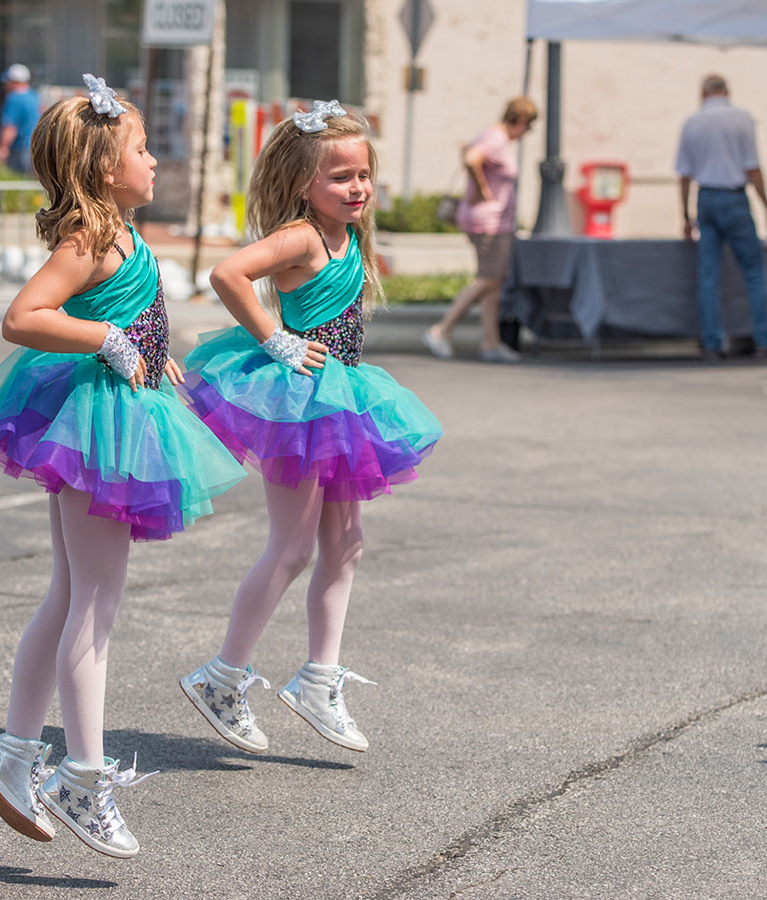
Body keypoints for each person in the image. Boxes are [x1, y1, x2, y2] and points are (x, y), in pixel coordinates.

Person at [0, 75, 245, 858]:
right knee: (94, 604)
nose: (154, 161)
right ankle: (82, 779)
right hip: (101, 427)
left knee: (69, 596)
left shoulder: (120, 232)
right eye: (142, 149)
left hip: (111, 415)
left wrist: (155, 349)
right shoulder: (90, 240)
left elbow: (127, 307)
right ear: (101, 165)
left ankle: (15, 755)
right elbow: (23, 318)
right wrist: (111, 343)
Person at [179, 101, 442, 755]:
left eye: (363, 175)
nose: (357, 187)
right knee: (293, 548)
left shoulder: (349, 236)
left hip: (344, 399)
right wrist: (276, 341)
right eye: (340, 177)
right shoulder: (301, 237)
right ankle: (221, 676)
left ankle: (319, 679)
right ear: (303, 183)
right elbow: (226, 273)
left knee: (345, 547)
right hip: (299, 402)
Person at [675, 74, 767, 359]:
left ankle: (712, 342)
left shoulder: (692, 122)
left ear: (703, 93)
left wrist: (685, 216)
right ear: (727, 91)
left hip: (706, 197)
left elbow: (684, 175)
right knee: (754, 272)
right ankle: (764, 340)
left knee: (708, 275)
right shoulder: (741, 119)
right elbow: (753, 168)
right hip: (734, 196)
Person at [422, 97, 537, 363]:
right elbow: (471, 158)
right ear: (519, 121)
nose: (526, 133)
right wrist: (484, 190)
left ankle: (491, 342)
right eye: (528, 127)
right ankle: (441, 329)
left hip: (491, 220)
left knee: (492, 283)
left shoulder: (491, 135)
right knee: (490, 280)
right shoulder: (496, 139)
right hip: (490, 221)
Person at [0, 63, 39, 175]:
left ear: (14, 81)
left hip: (19, 149)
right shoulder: (35, 97)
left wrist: (3, 148)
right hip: (36, 146)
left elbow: (10, 127)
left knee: (16, 181)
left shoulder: (14, 98)